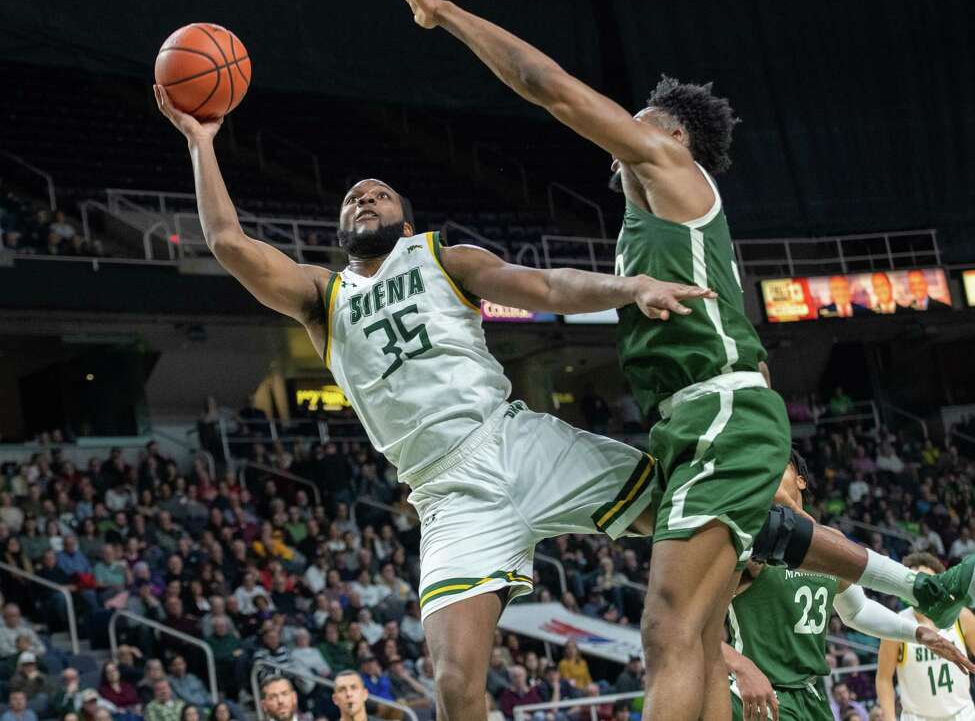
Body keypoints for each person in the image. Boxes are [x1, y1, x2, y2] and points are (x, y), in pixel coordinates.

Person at [383, 0, 975, 720]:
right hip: (685, 424)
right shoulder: (638, 227)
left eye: (638, 117)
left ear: (672, 134)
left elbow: (547, 87)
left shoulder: (674, 175)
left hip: (721, 408)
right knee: (707, 611)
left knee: (668, 626)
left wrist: (447, 14)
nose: (623, 125)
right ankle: (921, 582)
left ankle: (918, 584)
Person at [154, 42, 709, 721]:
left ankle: (821, 591)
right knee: (451, 681)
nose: (364, 196)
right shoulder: (320, 298)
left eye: (379, 194)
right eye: (354, 197)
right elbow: (229, 244)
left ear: (404, 220)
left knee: (697, 518)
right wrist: (200, 141)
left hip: (515, 442)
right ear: (338, 227)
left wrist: (631, 286)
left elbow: (542, 284)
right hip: (447, 492)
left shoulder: (443, 258)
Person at [723, 455, 972, 721]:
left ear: (801, 481)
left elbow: (857, 610)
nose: (769, 473)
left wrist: (919, 633)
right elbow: (686, 624)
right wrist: (741, 667)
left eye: (779, 465)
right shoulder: (747, 544)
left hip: (810, 695)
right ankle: (928, 590)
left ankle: (928, 590)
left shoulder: (831, 543)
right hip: (761, 694)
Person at [875, 552, 975, 721]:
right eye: (915, 583)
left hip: (962, 714)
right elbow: (884, 678)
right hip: (917, 717)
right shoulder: (897, 623)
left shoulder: (962, 616)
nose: (920, 589)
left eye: (927, 582)